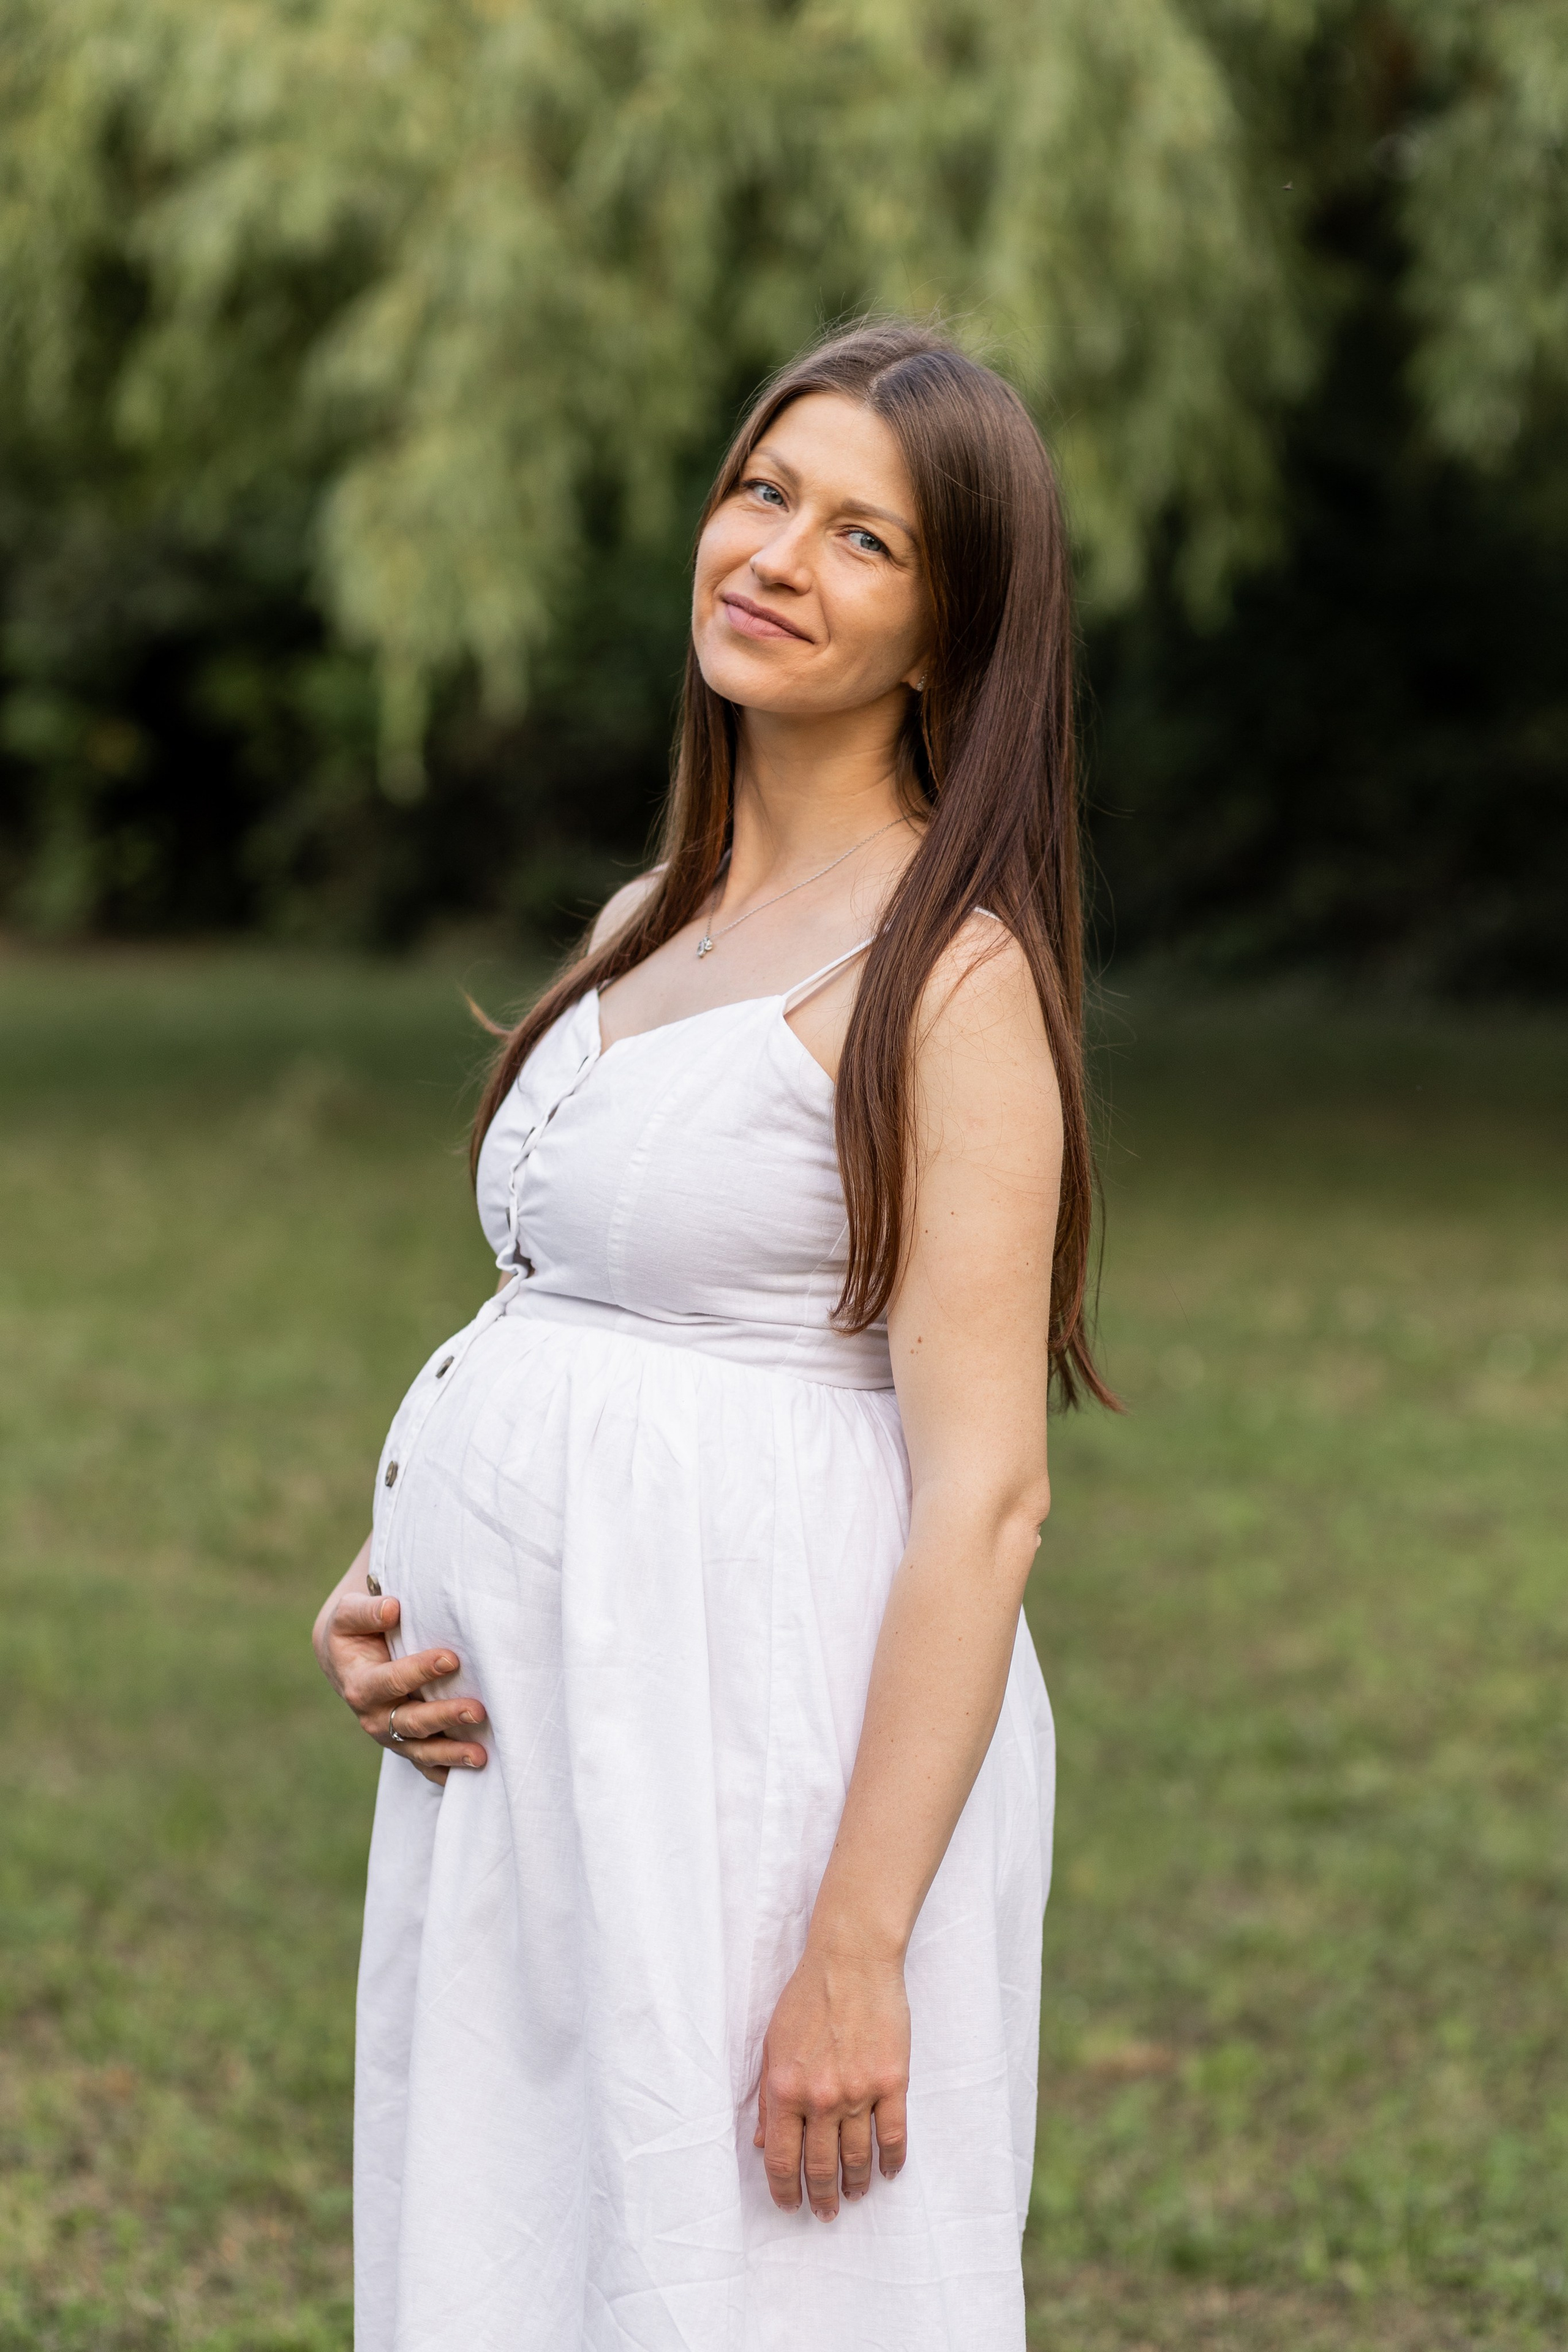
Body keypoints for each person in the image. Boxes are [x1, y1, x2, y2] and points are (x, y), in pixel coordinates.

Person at [312, 317, 1114, 2352]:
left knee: (746, 2284)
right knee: (526, 2252)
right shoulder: (642, 920)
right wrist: (393, 1577)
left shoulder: (948, 977)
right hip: (546, 1750)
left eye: (865, 537)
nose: (774, 555)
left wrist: (859, 1944)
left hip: (758, 1744)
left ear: (947, 634)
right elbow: (561, 1311)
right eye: (765, 490)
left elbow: (989, 1502)